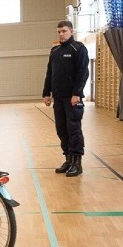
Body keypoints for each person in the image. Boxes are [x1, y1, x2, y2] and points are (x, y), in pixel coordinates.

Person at [42, 19, 90, 177]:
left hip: (72, 98)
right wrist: (46, 93)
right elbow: (50, 73)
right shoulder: (54, 51)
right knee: (61, 129)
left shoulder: (78, 49)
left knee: (73, 129)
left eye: (64, 31)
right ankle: (68, 159)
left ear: (71, 31)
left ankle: (77, 163)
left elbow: (83, 72)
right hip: (58, 98)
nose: (61, 34)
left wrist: (77, 93)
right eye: (59, 32)